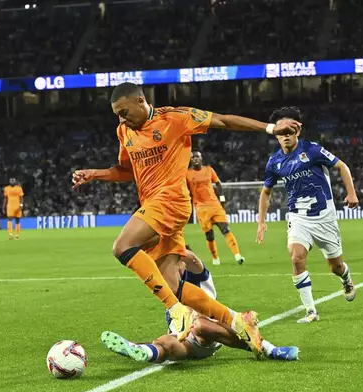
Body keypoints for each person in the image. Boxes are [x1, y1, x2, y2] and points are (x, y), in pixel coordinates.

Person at [72, 82, 300, 353]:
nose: (121, 118)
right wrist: (95, 174)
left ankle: (176, 311)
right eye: (117, 114)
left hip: (171, 201)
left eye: (124, 111)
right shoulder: (124, 131)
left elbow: (224, 121)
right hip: (154, 206)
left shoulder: (175, 118)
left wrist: (271, 128)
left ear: (140, 100)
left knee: (122, 246)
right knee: (173, 286)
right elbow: (126, 170)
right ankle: (238, 321)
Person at [101, 246, 300, 362]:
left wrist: (172, 246)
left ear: (182, 262)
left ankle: (268, 348)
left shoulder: (197, 275)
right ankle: (142, 351)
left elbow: (194, 260)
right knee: (166, 343)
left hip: (209, 334)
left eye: (173, 265)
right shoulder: (166, 286)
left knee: (201, 324)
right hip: (187, 342)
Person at [256, 107, 357, 324]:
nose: (285, 137)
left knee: (335, 266)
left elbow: (342, 166)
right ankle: (311, 311)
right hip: (298, 217)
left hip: (324, 216)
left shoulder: (312, 150)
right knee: (296, 257)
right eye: (280, 133)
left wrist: (351, 193)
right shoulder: (274, 162)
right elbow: (266, 191)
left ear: (297, 131)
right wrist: (261, 221)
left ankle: (346, 279)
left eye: (288, 132)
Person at [186, 151, 244, 265]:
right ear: (190, 160)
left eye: (197, 157)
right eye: (193, 157)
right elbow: (185, 189)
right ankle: (215, 258)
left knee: (225, 229)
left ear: (201, 159)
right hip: (201, 208)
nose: (195, 159)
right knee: (209, 235)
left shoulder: (209, 170)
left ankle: (237, 255)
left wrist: (222, 198)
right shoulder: (187, 174)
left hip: (215, 205)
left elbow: (218, 183)